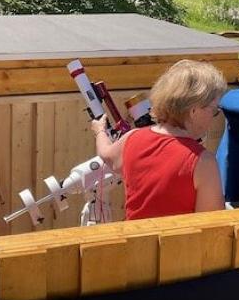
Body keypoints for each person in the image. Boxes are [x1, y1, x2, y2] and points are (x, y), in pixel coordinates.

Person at [92, 59, 226, 220]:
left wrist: (100, 130)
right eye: (214, 110)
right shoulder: (203, 162)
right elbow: (212, 227)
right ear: (193, 110)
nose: (214, 117)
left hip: (133, 241)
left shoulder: (132, 138)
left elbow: (106, 154)